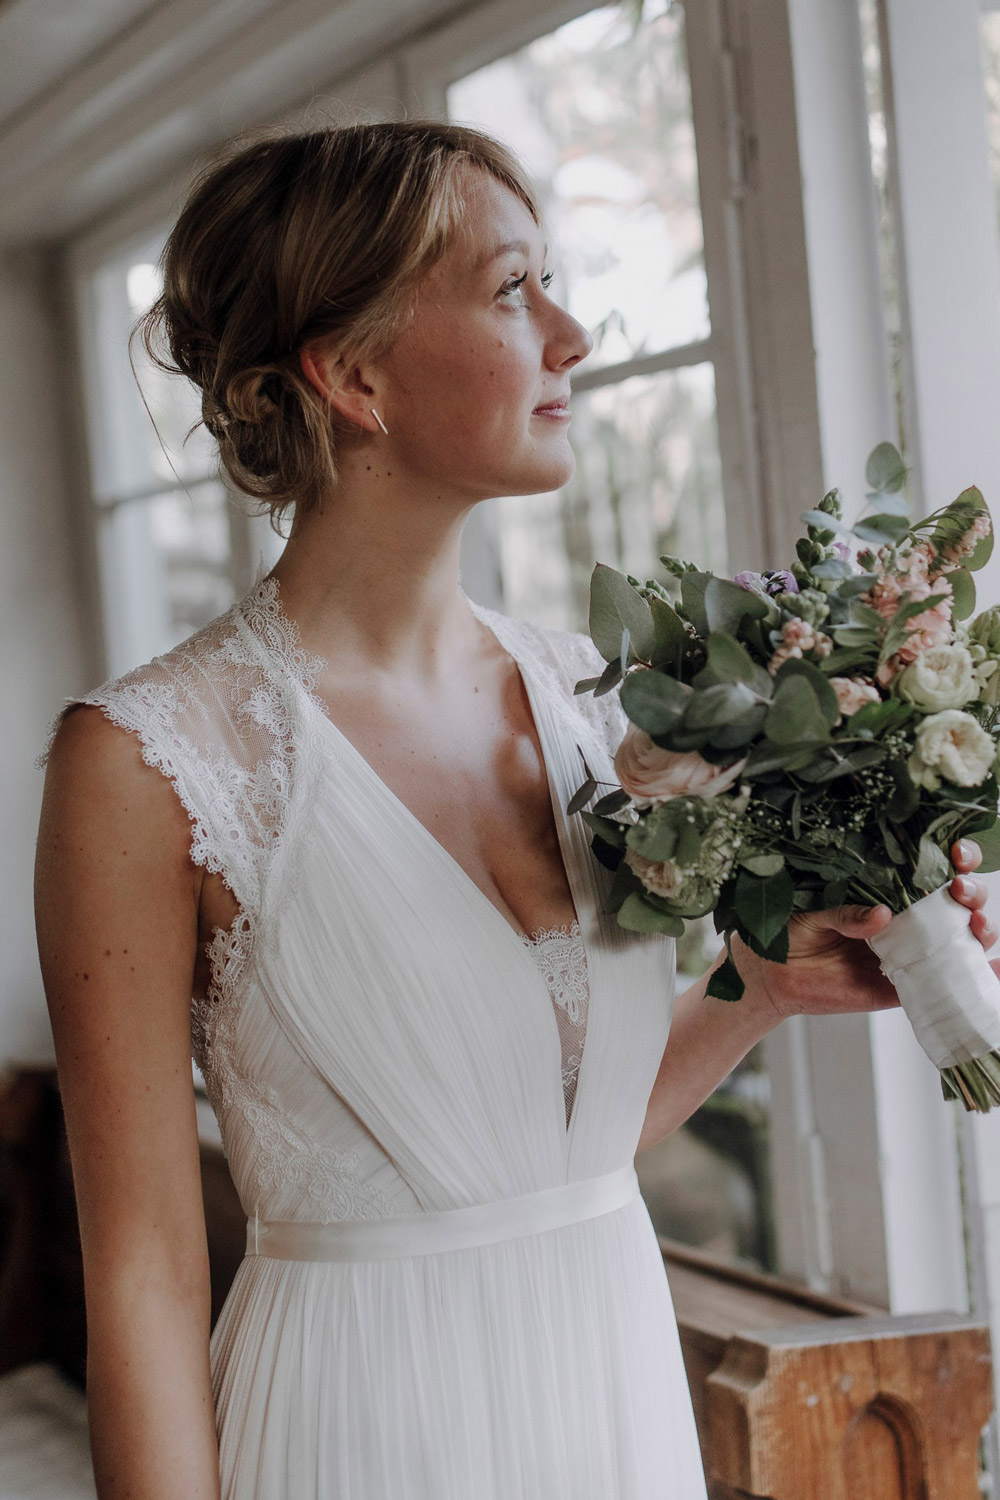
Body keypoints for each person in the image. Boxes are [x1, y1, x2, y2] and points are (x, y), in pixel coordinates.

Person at [33, 121, 996, 1500]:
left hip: (607, 1391)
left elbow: (539, 1148)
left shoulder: (591, 706)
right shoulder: (145, 760)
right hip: (351, 1426)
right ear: (353, 374)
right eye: (511, 289)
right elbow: (139, 1273)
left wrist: (759, 996)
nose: (576, 332)